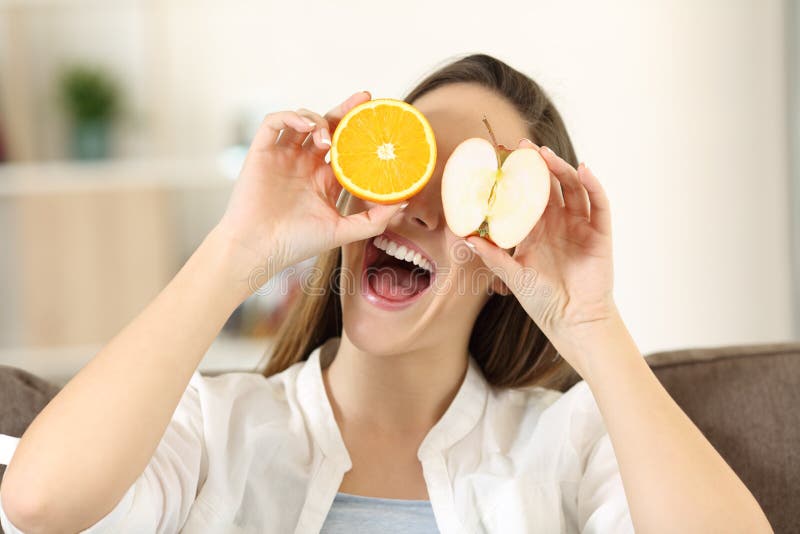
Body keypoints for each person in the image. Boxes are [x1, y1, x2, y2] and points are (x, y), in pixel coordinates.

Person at [0, 54, 772, 533]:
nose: (417, 209)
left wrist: (593, 322)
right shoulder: (215, 429)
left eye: (470, 187)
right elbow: (39, 506)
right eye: (404, 166)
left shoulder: (565, 446)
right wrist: (239, 247)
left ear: (513, 258)